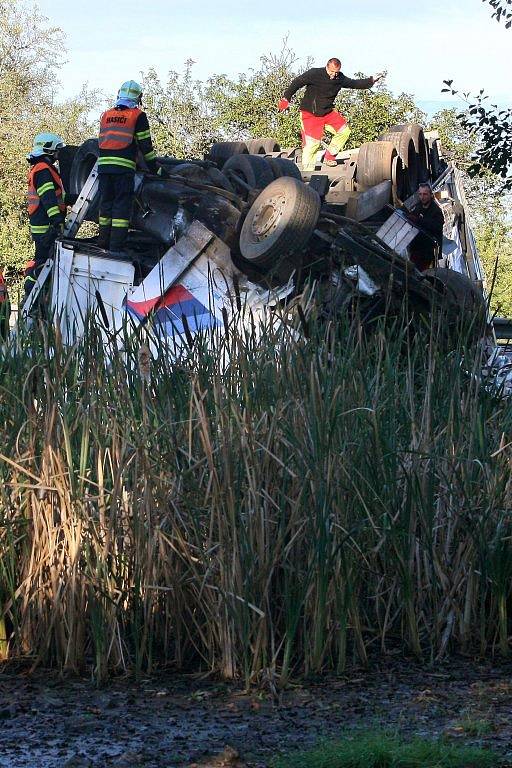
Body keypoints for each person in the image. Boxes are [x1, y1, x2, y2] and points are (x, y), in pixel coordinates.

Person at [278, 58, 384, 171]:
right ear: (327, 67)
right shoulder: (314, 73)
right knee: (312, 145)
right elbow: (296, 83)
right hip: (310, 114)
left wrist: (372, 80)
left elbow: (355, 83)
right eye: (331, 72)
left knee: (344, 131)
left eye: (336, 72)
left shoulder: (340, 78)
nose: (333, 75)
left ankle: (329, 156)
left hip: (327, 113)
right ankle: (307, 174)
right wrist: (286, 98)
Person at [97, 80, 160, 254]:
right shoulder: (137, 116)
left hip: (103, 168)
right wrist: (156, 169)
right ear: (138, 98)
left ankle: (103, 241)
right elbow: (146, 146)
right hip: (123, 169)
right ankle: (116, 247)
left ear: (119, 94)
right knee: (121, 207)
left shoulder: (106, 115)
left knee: (106, 204)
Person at [25, 132, 67, 297]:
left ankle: (33, 293)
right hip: (45, 226)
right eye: (57, 150)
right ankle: (31, 295)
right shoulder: (43, 169)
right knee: (42, 263)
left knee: (41, 261)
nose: (58, 154)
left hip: (41, 224)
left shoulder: (42, 168)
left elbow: (57, 196)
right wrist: (57, 221)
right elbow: (48, 198)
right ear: (49, 150)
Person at [404, 183, 444, 271]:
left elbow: (437, 227)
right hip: (416, 248)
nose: (422, 197)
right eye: (420, 194)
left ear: (430, 195)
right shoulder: (418, 207)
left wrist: (418, 220)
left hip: (428, 251)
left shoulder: (436, 211)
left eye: (425, 194)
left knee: (421, 274)